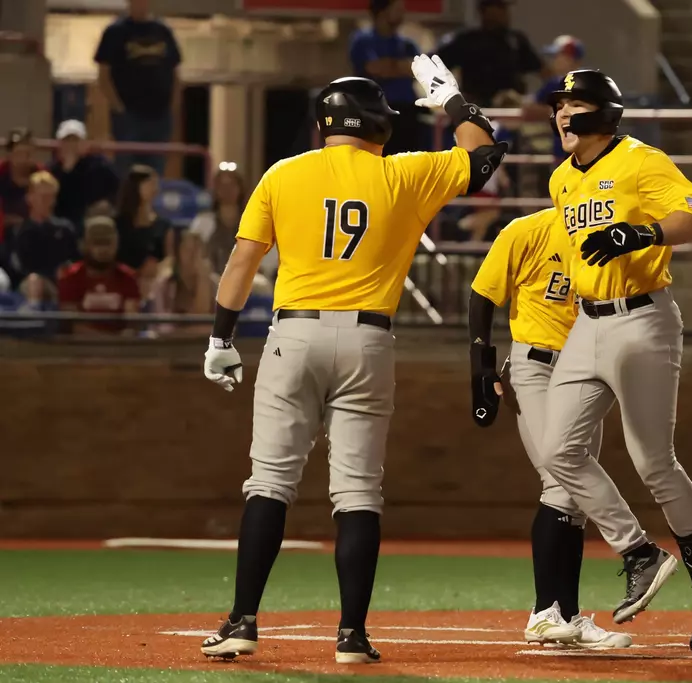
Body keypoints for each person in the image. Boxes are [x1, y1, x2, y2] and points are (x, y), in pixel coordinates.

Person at [198, 58, 508, 664]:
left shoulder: (283, 174)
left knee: (268, 485)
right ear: (375, 123)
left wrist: (219, 339)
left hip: (293, 336)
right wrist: (450, 99)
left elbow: (241, 263)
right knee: (359, 493)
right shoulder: (404, 174)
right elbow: (485, 153)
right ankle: (352, 637)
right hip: (369, 340)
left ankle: (241, 621)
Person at [516, 69, 692, 652]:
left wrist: (637, 233)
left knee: (653, 462)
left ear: (605, 114)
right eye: (559, 104)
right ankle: (639, 551)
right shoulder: (562, 177)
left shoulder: (641, 159)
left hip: (643, 317)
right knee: (558, 452)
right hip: (586, 322)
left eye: (576, 104)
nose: (563, 114)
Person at [468, 207, 631, 649]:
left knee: (574, 498)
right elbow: (483, 294)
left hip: (585, 372)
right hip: (536, 365)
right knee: (559, 485)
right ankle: (544, 613)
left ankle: (569, 617)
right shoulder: (529, 230)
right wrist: (481, 366)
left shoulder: (611, 237)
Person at [94, 0, 181, 176]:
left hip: (160, 116)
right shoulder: (115, 32)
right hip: (129, 116)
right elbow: (103, 75)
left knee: (155, 170)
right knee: (127, 170)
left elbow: (175, 73)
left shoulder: (163, 31)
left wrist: (172, 106)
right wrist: (118, 108)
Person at [349, 0, 424, 156]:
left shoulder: (407, 44)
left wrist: (390, 65)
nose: (403, 14)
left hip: (406, 112)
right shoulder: (363, 40)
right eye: (397, 9)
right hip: (375, 112)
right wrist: (400, 66)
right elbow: (375, 69)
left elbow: (419, 69)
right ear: (382, 12)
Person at [435, 0, 543, 107]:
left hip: (509, 110)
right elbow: (432, 66)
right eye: (500, 7)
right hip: (476, 109)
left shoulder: (515, 41)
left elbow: (543, 71)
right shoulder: (466, 40)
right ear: (485, 10)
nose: (506, 13)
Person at [58, 216, 141, 336]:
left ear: (116, 244)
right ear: (86, 245)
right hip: (81, 349)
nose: (103, 249)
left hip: (120, 350)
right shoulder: (70, 278)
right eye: (97, 243)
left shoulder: (128, 278)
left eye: (107, 243)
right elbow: (72, 325)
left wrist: (120, 341)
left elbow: (132, 321)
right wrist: (107, 341)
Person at [8, 171, 79, 290]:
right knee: (35, 282)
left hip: (63, 282)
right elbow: (19, 267)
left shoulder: (65, 229)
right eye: (42, 196)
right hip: (33, 284)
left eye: (50, 196)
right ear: (29, 197)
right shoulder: (19, 231)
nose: (46, 201)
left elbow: (75, 259)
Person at [48, 120, 120, 232]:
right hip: (63, 225)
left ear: (85, 143)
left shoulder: (100, 166)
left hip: (94, 222)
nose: (71, 145)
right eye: (67, 141)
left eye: (75, 140)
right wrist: (67, 171)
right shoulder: (53, 171)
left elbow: (116, 189)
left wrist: (107, 203)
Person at [522, 35, 586, 163]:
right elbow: (529, 107)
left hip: (579, 149)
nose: (554, 61)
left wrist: (551, 110)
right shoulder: (558, 82)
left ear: (570, 59)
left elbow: (529, 108)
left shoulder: (561, 82)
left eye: (557, 56)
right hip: (568, 149)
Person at [114, 165, 171, 298]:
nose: (155, 189)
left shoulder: (163, 225)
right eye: (149, 184)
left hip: (154, 287)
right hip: (123, 284)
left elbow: (169, 258)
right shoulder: (118, 225)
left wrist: (157, 269)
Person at [148, 230, 213, 336]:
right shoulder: (164, 286)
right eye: (188, 250)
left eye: (197, 251)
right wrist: (196, 330)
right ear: (178, 253)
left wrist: (203, 281)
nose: (193, 256)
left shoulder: (215, 286)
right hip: (170, 347)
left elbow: (227, 328)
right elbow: (165, 328)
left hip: (206, 347)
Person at [0, 128, 42, 231]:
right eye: (19, 153)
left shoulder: (42, 177)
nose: (23, 159)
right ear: (9, 155)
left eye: (27, 154)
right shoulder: (1, 174)